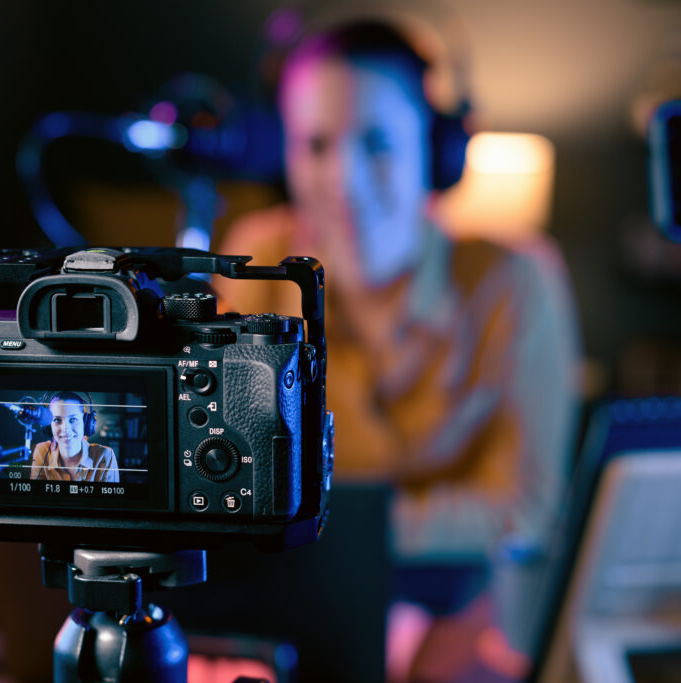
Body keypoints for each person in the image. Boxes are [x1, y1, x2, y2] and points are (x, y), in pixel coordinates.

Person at [215, 16, 580, 680]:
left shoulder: (516, 280)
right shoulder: (256, 261)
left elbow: (525, 508)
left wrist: (338, 531)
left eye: (378, 143)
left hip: (464, 619)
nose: (344, 181)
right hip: (295, 614)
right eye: (315, 144)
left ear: (434, 151)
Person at [30, 391, 119, 483]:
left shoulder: (105, 455)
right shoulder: (42, 451)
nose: (65, 428)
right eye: (57, 420)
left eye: (73, 419)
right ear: (48, 426)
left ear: (85, 423)